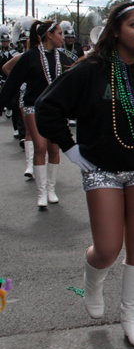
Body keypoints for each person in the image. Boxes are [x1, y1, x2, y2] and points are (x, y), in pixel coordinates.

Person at [34, 2, 134, 347]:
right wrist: (70, 148)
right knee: (108, 248)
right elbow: (47, 108)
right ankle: (93, 280)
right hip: (101, 170)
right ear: (115, 30)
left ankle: (131, 317)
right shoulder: (90, 69)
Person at [0, 19, 74, 209]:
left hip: (55, 110)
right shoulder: (30, 56)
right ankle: (41, 193)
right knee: (40, 146)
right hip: (32, 106)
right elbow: (12, 82)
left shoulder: (63, 58)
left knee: (54, 149)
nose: (62, 37)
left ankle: (51, 189)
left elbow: (79, 78)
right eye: (59, 33)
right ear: (49, 35)